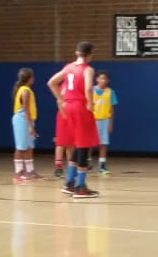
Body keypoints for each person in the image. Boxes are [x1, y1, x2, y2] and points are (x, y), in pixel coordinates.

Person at [47, 41, 100, 198]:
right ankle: (80, 186)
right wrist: (90, 103)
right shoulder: (88, 69)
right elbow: (88, 88)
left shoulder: (68, 67)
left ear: (77, 53)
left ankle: (69, 182)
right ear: (90, 55)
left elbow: (51, 82)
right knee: (84, 144)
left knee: (76, 143)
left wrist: (61, 100)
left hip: (67, 107)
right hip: (79, 107)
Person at [11, 67, 41, 182]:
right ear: (30, 78)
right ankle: (18, 173)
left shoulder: (27, 90)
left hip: (28, 120)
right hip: (22, 120)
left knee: (29, 147)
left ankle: (30, 172)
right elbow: (26, 110)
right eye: (33, 76)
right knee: (20, 147)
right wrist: (30, 126)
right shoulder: (25, 91)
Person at [93, 71, 118, 174]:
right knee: (89, 143)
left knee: (103, 143)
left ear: (108, 81)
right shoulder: (90, 90)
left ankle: (102, 165)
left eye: (105, 78)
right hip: (92, 120)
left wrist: (111, 123)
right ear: (97, 79)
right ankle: (87, 161)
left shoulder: (110, 92)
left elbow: (112, 109)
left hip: (105, 120)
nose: (103, 80)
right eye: (101, 78)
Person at [53, 83, 74, 178]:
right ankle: (58, 167)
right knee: (60, 142)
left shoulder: (74, 86)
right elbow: (59, 102)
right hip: (63, 116)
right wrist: (64, 115)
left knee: (70, 143)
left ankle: (71, 168)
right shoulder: (64, 86)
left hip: (72, 116)